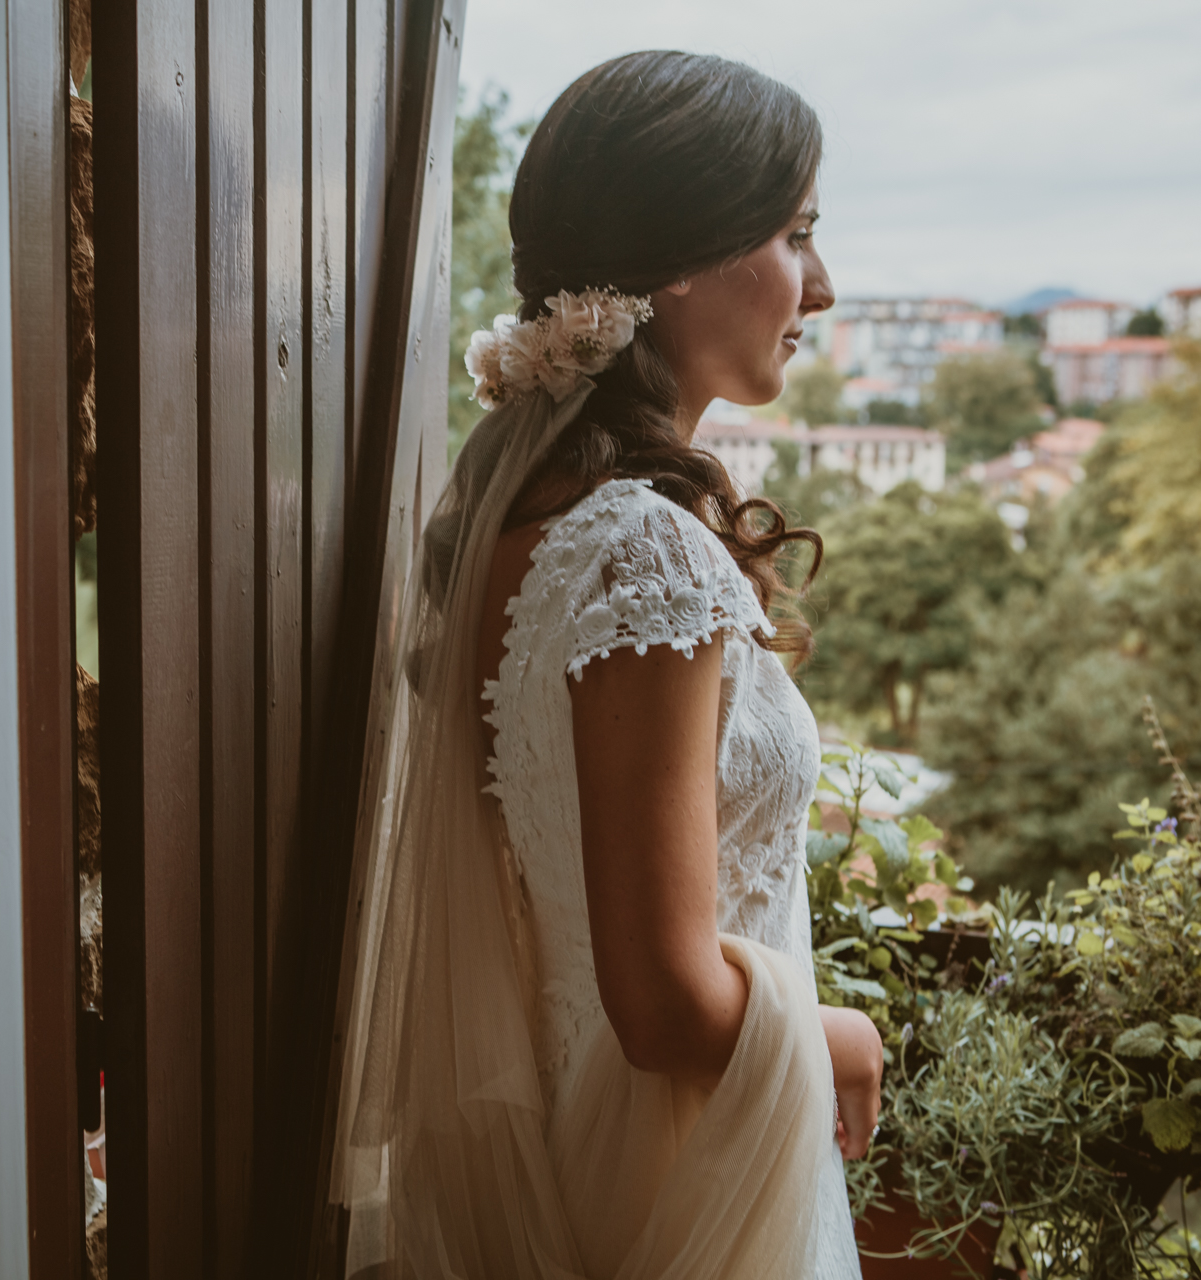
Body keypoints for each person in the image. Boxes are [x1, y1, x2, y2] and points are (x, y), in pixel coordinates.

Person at [328, 52, 879, 1277]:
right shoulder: (639, 549)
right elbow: (664, 1002)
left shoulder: (524, 521)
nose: (824, 287)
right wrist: (841, 1030)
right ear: (682, 259)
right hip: (678, 1174)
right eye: (797, 235)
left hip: (586, 1139)